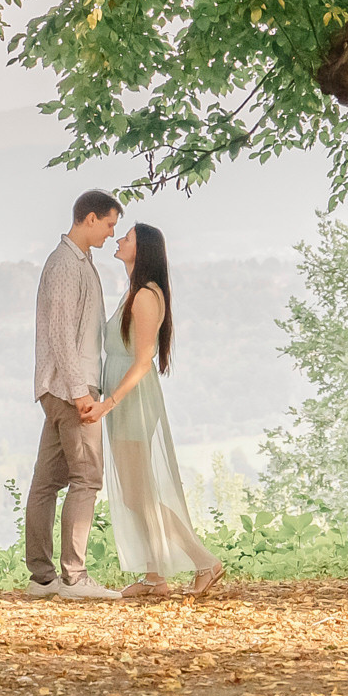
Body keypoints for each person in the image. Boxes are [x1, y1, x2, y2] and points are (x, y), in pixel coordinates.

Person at [95, 222, 226, 600]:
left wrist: (110, 402)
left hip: (132, 399)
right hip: (125, 396)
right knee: (137, 494)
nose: (118, 240)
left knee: (140, 493)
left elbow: (142, 361)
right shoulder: (134, 293)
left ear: (144, 249)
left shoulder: (145, 297)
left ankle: (205, 562)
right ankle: (155, 576)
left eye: (127, 237)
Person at [24, 190, 123, 599]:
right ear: (90, 218)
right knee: (87, 478)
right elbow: (62, 335)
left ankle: (42, 578)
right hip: (70, 389)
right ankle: (74, 577)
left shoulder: (80, 263)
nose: (111, 233)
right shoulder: (65, 264)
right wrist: (81, 392)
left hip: (61, 388)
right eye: (109, 225)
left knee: (47, 481)